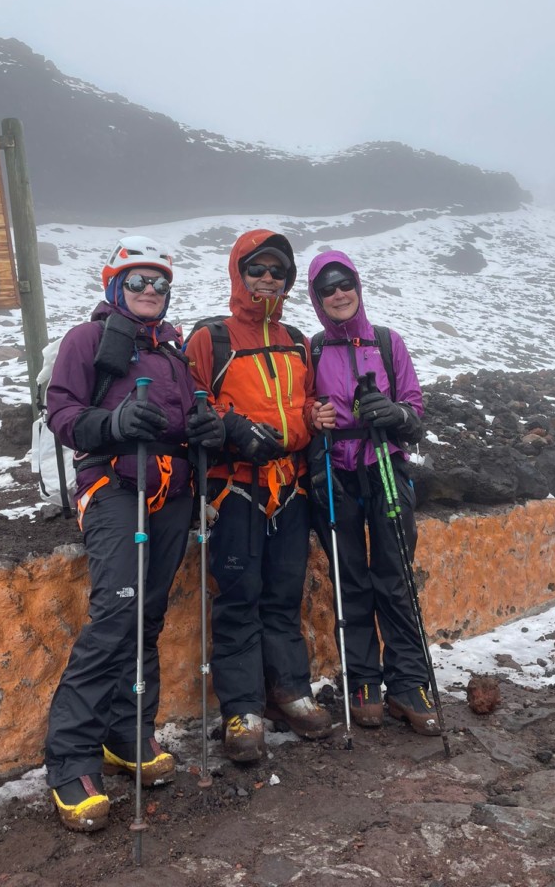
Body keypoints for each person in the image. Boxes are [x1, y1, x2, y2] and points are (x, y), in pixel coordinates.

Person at [43, 235, 224, 832]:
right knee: (116, 616)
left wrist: (204, 428)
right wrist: (112, 422)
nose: (151, 291)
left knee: (147, 617)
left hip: (171, 494)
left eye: (160, 283)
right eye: (139, 281)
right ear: (115, 286)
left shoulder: (174, 354)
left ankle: (129, 732)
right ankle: (71, 759)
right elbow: (63, 415)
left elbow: (189, 417)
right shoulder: (88, 340)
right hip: (115, 490)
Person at [185, 229, 333, 763]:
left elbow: (310, 398)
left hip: (289, 487)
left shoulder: (296, 339)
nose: (268, 279)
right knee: (239, 599)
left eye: (279, 272)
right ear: (238, 273)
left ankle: (290, 691)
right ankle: (242, 709)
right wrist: (230, 427)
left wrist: (316, 416)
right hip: (236, 489)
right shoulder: (211, 339)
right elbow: (190, 404)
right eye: (258, 270)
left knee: (283, 596)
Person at [307, 250, 440, 735]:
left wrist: (394, 414)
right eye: (327, 288)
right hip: (335, 475)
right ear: (316, 298)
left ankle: (409, 683)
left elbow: (414, 411)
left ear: (358, 287)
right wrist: (311, 416)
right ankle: (363, 681)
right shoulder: (313, 349)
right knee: (350, 582)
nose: (339, 293)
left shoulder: (388, 342)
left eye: (346, 284)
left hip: (386, 468)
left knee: (395, 577)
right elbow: (303, 405)